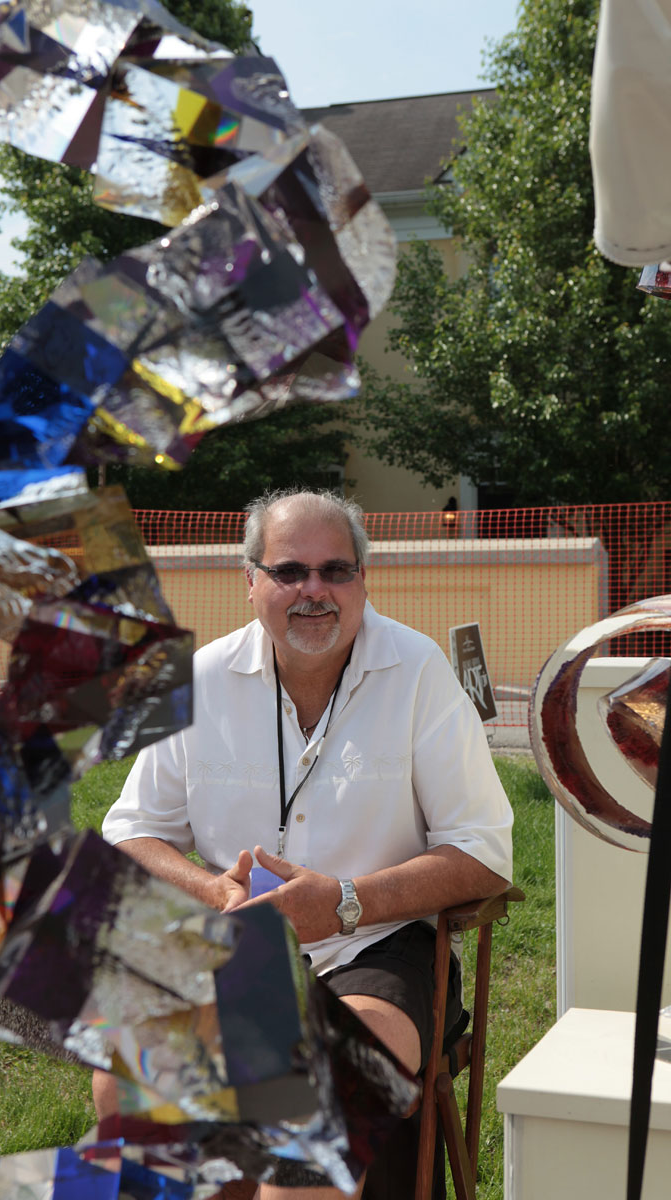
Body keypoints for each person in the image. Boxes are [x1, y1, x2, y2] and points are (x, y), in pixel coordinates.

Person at [96, 488, 513, 1198]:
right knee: (126, 1093)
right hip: (238, 946)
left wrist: (345, 903)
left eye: (336, 571)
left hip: (377, 946)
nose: (313, 591)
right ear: (251, 579)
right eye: (290, 571)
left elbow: (485, 854)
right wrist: (212, 889)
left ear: (362, 580)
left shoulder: (418, 673)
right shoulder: (197, 680)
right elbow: (129, 834)